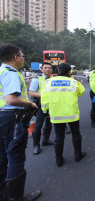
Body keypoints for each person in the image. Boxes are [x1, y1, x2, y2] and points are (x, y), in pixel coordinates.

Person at [0, 44, 41, 200]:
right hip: (11, 118)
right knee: (16, 155)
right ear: (15, 57)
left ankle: (3, 194)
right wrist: (29, 104)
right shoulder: (11, 73)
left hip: (2, 117)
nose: (24, 58)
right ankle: (16, 197)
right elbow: (11, 99)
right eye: (23, 56)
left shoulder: (1, 71)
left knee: (2, 155)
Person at [41, 63, 86, 167]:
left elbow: (44, 99)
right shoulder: (73, 82)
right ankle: (78, 155)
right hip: (72, 114)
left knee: (59, 137)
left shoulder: (48, 82)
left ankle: (59, 160)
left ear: (57, 69)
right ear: (69, 71)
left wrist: (45, 111)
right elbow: (81, 92)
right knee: (76, 134)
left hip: (56, 114)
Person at [29, 62, 53, 155]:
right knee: (38, 125)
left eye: (49, 68)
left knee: (49, 124)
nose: (47, 69)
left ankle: (46, 140)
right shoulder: (37, 79)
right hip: (40, 106)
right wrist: (45, 96)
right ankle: (36, 145)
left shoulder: (52, 79)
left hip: (50, 105)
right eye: (45, 68)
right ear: (41, 69)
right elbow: (31, 92)